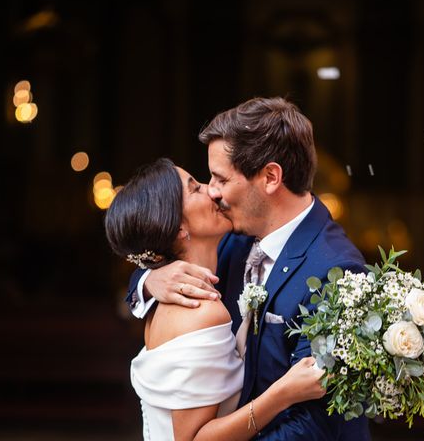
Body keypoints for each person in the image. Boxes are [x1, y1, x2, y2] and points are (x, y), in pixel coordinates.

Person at [128, 97, 371, 440]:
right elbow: (157, 247)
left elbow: (313, 425)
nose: (212, 192)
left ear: (271, 177)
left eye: (220, 178)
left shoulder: (336, 272)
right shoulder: (227, 235)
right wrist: (152, 279)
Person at [105, 158, 326, 441]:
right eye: (195, 189)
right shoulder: (200, 312)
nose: (212, 191)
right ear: (178, 230)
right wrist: (284, 393)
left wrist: (149, 278)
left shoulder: (169, 296)